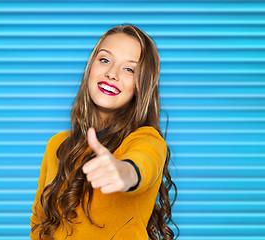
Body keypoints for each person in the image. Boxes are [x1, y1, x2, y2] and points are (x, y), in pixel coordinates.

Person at [30, 24, 177, 239]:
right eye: (105, 60)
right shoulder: (57, 145)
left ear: (141, 85)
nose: (111, 74)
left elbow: (144, 163)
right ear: (90, 67)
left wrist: (124, 172)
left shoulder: (146, 140)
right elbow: (39, 221)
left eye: (129, 69)